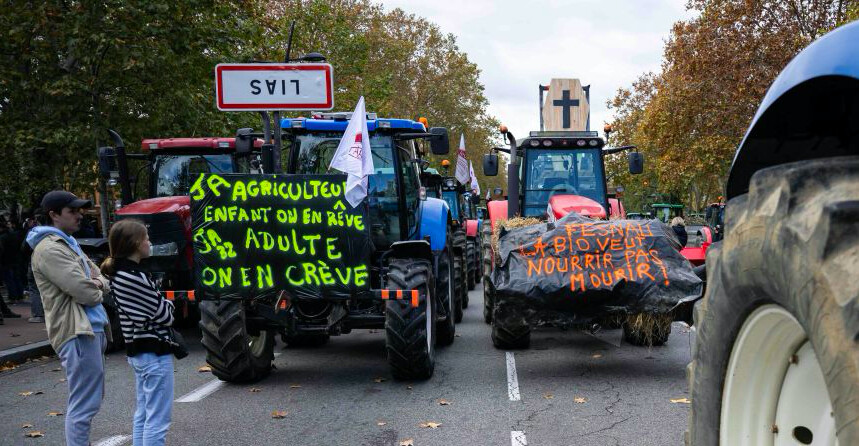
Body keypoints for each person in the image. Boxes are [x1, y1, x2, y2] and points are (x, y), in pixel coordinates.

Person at [28, 190, 112, 446]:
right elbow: (87, 293)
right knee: (84, 403)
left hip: (89, 328)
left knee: (90, 400)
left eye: (79, 210)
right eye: (72, 211)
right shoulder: (50, 249)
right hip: (76, 331)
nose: (79, 215)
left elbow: (100, 276)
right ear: (53, 215)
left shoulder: (68, 243)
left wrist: (97, 282)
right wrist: (98, 284)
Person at [101, 219, 174, 446]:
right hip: (153, 351)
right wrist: (167, 304)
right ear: (135, 243)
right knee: (157, 419)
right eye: (147, 239)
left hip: (139, 352)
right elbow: (166, 314)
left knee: (144, 413)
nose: (150, 243)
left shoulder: (120, 273)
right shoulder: (135, 276)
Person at [22, 213, 45, 323]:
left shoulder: (34, 232)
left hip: (35, 260)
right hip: (50, 261)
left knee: (35, 288)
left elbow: (24, 248)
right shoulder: (58, 231)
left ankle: (38, 314)